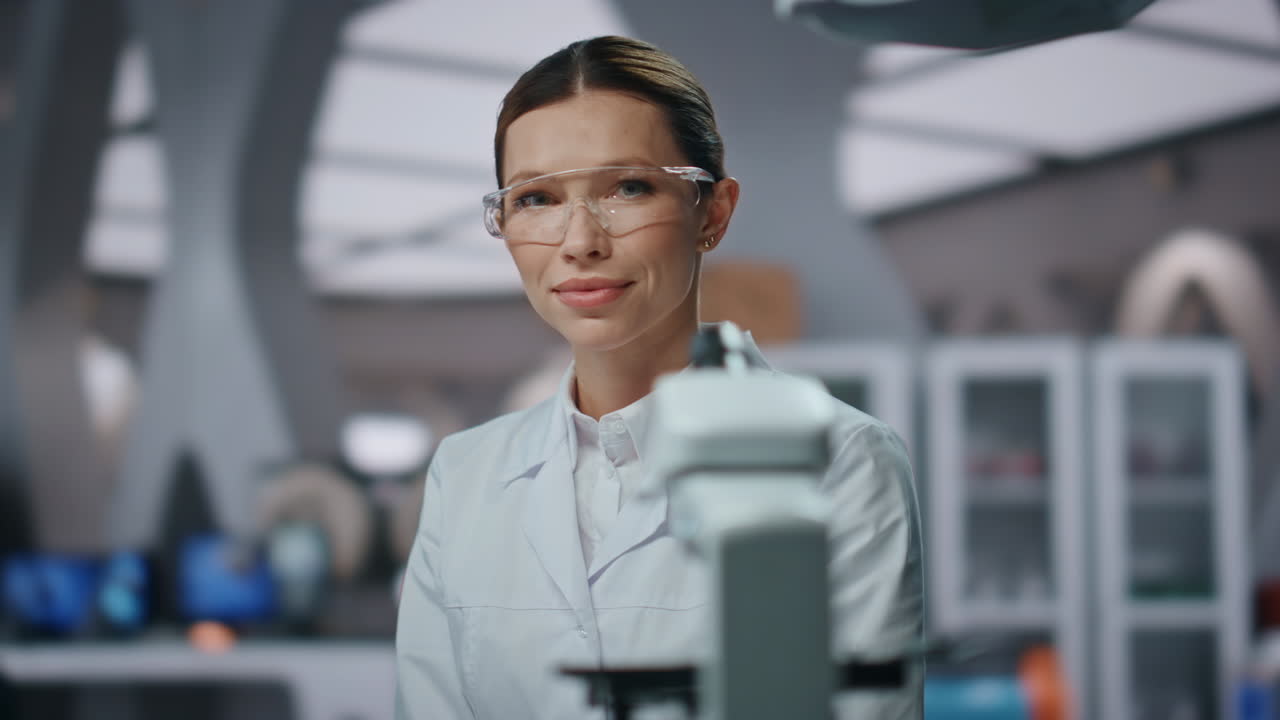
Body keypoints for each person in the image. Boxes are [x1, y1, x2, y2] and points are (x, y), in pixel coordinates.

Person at [395, 35, 924, 719]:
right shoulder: (464, 476)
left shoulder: (845, 463)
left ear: (714, 212)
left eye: (629, 187)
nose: (580, 241)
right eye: (537, 199)